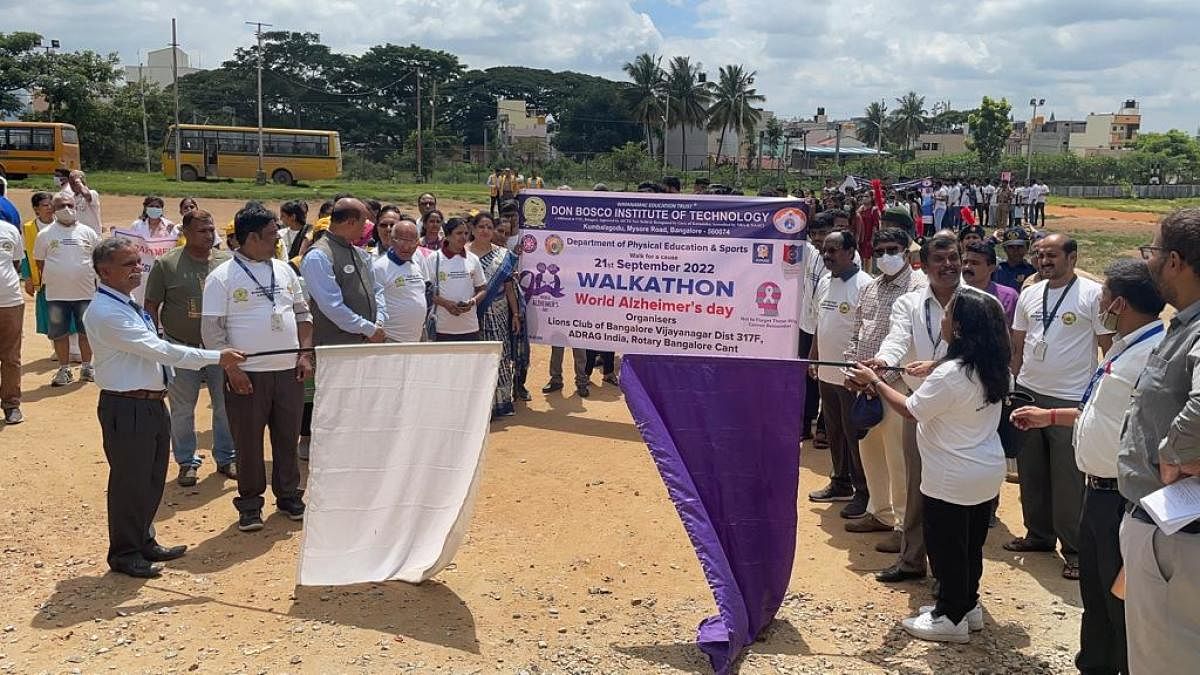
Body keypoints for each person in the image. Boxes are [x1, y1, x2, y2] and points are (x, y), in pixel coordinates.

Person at [1011, 258, 1165, 675]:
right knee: (1095, 597)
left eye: (1103, 298)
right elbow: (1104, 414)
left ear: (1120, 303)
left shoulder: (1154, 355)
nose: (1098, 305)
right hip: (1097, 491)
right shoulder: (1125, 344)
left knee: (1120, 601)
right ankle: (1093, 665)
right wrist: (1052, 417)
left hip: (1124, 497)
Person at [847, 288, 1010, 643]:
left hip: (952, 476)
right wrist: (934, 366)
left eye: (949, 314)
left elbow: (911, 409)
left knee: (946, 547)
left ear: (962, 327)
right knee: (969, 545)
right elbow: (959, 375)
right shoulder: (994, 366)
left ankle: (950, 618)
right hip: (984, 471)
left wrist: (874, 380)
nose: (943, 318)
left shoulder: (950, 375)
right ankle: (967, 606)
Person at [84, 237, 245, 577]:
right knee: (130, 481)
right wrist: (218, 357)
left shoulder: (126, 303)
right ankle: (125, 554)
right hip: (127, 406)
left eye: (136, 263)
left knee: (153, 477)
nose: (136, 269)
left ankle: (144, 539)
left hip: (151, 403)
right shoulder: (106, 312)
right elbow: (162, 350)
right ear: (104, 271)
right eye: (128, 265)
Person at [1118, 209, 1200, 673]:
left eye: (1151, 252)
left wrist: (1173, 452)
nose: (1147, 262)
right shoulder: (1185, 323)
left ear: (1175, 262)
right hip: (1169, 524)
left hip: (1177, 533)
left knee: (1162, 657)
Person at [1006, 234, 1114, 579]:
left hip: (1070, 398)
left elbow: (1106, 348)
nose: (1044, 260)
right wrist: (1014, 384)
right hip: (1029, 393)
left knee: (1068, 478)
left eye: (1052, 255)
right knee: (1031, 472)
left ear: (1072, 257)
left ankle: (1075, 550)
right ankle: (1038, 535)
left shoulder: (1092, 295)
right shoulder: (1030, 293)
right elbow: (1018, 345)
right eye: (1040, 255)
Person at [201, 204, 313, 533]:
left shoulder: (285, 270)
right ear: (250, 238)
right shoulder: (221, 277)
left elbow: (304, 316)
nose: (277, 240)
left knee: (287, 438)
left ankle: (289, 496)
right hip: (248, 375)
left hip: (289, 372)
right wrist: (233, 371)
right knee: (248, 443)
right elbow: (212, 332)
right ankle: (250, 504)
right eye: (270, 235)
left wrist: (304, 354)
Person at [868, 231, 963, 584]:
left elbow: (984, 353)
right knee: (915, 486)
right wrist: (882, 361)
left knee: (953, 494)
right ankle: (911, 561)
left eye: (953, 257)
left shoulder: (978, 301)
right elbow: (897, 339)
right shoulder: (908, 304)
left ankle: (949, 573)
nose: (948, 265)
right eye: (939, 259)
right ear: (924, 263)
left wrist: (937, 367)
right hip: (919, 408)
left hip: (962, 414)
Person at [842, 227, 926, 546]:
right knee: (871, 450)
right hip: (866, 385)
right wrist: (854, 372)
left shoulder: (918, 288)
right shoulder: (871, 287)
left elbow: (909, 342)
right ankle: (879, 511)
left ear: (907, 252)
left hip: (898, 386)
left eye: (892, 250)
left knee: (898, 457)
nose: (884, 257)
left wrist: (879, 381)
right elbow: (857, 332)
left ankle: (904, 525)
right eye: (879, 252)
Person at [144, 210, 236, 487]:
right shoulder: (167, 264)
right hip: (181, 347)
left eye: (211, 230)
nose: (209, 236)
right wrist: (158, 343)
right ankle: (187, 461)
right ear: (185, 233)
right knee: (183, 408)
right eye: (202, 231)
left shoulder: (226, 263)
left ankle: (226, 456)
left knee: (224, 406)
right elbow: (151, 306)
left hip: (220, 350)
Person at [807, 230, 873, 516]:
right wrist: (813, 357)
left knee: (854, 434)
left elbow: (867, 333)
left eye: (833, 250)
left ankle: (864, 491)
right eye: (824, 250)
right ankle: (841, 482)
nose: (827, 255)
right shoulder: (824, 281)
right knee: (834, 431)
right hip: (826, 372)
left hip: (851, 376)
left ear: (851, 252)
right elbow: (820, 322)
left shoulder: (865, 285)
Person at [300, 197, 386, 347]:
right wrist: (368, 329)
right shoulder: (318, 256)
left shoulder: (360, 253)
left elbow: (376, 289)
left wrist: (379, 321)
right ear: (350, 222)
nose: (367, 228)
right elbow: (331, 306)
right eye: (364, 223)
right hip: (337, 346)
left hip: (368, 341)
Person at [34, 193, 99, 386]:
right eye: (61, 205)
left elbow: (97, 259)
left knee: (86, 332)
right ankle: (64, 369)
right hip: (56, 295)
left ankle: (87, 367)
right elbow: (40, 263)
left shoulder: (88, 232)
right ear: (54, 210)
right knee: (59, 334)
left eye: (70, 205)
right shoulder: (44, 235)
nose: (67, 209)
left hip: (85, 293)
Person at [467, 212, 521, 417]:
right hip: (470, 313)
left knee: (499, 355)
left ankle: (501, 403)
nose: (485, 231)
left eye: (489, 227)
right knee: (477, 357)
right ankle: (478, 405)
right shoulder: (463, 254)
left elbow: (509, 287)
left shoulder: (503, 255)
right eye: (481, 226)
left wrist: (515, 314)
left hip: (499, 310)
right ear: (473, 229)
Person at [423, 217, 486, 342]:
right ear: (447, 236)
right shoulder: (434, 258)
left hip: (469, 326)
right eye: (458, 233)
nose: (463, 237)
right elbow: (426, 291)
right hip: (441, 327)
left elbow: (482, 288)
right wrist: (446, 304)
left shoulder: (473, 259)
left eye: (466, 233)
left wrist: (472, 302)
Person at [373, 215, 427, 343]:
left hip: (417, 337)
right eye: (402, 240)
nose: (407, 247)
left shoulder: (418, 261)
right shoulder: (379, 267)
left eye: (412, 241)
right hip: (390, 339)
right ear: (392, 240)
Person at [0, 210, 23, 424]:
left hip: (9, 301)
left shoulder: (10, 230)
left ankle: (11, 405)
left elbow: (16, 264)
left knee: (11, 358)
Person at [961, 241, 1018, 324]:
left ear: (991, 268)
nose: (967, 267)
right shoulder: (954, 295)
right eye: (965, 262)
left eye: (974, 263)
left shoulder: (1009, 297)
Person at [280, 200, 310, 266]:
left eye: (283, 216)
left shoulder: (309, 233)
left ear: (293, 217)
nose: (280, 219)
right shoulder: (280, 234)